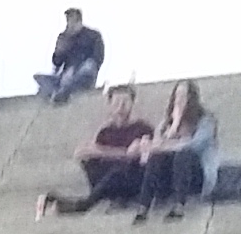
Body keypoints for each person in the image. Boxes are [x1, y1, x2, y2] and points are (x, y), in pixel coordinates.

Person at [39, 84, 157, 216]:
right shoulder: (106, 131)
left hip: (132, 180)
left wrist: (102, 151)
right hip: (109, 180)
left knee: (119, 170)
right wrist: (86, 152)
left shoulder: (142, 128)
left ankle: (82, 205)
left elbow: (135, 155)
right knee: (90, 161)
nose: (121, 107)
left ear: (132, 103)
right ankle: (106, 195)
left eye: (125, 102)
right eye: (116, 103)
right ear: (110, 105)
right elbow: (96, 151)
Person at [137, 79, 217, 220]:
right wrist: (174, 124)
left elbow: (195, 144)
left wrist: (167, 145)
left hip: (195, 173)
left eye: (183, 96)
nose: (179, 100)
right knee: (156, 158)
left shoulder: (205, 120)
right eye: (176, 95)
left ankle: (179, 205)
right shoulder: (167, 122)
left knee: (183, 155)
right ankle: (143, 206)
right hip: (170, 177)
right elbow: (156, 146)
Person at [36, 7, 106, 103]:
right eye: (68, 20)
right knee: (42, 78)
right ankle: (60, 90)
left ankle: (63, 92)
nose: (69, 24)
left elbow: (98, 57)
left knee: (88, 66)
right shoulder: (64, 37)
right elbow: (57, 63)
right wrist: (59, 50)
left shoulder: (93, 35)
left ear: (79, 21)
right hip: (67, 74)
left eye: (72, 20)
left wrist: (78, 69)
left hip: (84, 73)